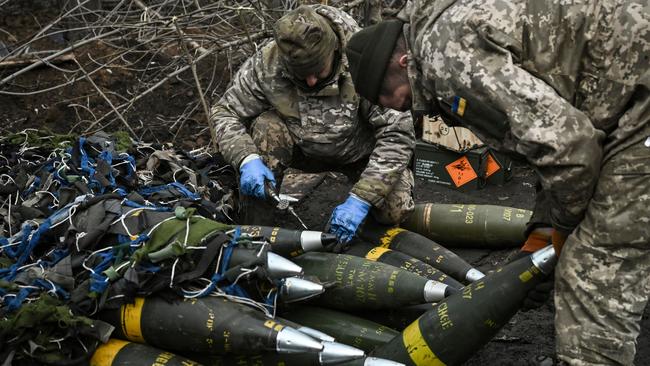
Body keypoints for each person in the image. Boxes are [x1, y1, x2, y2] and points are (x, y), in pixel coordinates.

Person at [344, 0, 649, 365]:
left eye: (384, 96)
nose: (395, 108)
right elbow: (543, 142)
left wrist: (566, 229)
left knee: (591, 271)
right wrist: (544, 225)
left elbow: (569, 149)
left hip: (637, 106)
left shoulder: (446, 58)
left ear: (401, 63)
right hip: (626, 88)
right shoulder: (443, 32)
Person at [211, 5, 415, 244]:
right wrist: (246, 158)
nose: (311, 80)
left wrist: (362, 198)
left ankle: (363, 231)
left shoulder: (363, 59)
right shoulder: (268, 63)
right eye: (301, 73)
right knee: (267, 127)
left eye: (318, 70)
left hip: (361, 154)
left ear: (334, 50)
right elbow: (224, 111)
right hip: (301, 148)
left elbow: (397, 133)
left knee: (395, 209)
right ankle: (256, 232)